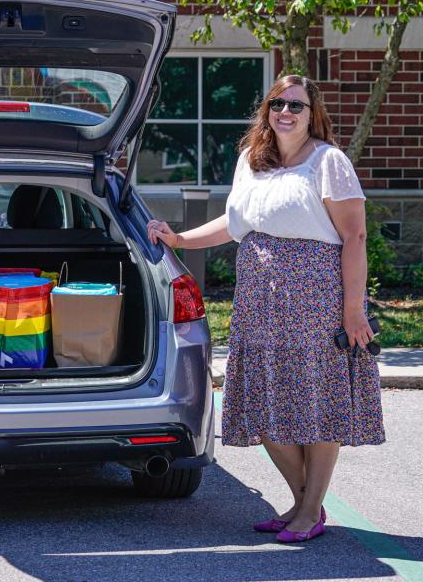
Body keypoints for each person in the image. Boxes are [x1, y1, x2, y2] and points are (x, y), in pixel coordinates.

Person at [147, 74, 385, 543]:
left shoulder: (328, 161)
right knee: (262, 397)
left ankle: (308, 508)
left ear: (312, 113)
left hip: (315, 299)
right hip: (259, 298)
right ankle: (304, 504)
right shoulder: (251, 161)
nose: (286, 112)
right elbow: (236, 223)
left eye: (296, 105)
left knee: (316, 400)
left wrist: (353, 309)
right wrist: (179, 240)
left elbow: (354, 236)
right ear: (266, 110)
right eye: (277, 103)